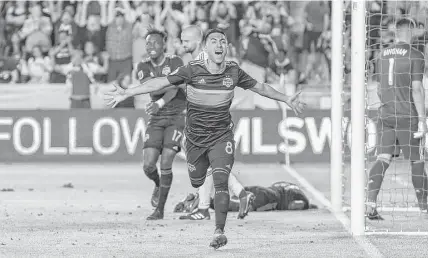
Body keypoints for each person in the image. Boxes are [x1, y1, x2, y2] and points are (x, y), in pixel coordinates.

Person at [104, 28, 305, 249]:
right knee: (197, 179)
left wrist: (286, 98)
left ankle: (219, 231)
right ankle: (201, 196)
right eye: (214, 41)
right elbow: (160, 83)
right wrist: (127, 92)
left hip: (221, 136)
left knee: (220, 180)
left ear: (226, 47)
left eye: (223, 41)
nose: (219, 45)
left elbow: (261, 88)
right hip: (195, 139)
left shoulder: (233, 72)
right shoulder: (191, 70)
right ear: (206, 47)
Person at [366, 18, 428, 220]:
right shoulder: (415, 55)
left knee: (383, 158)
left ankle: (370, 204)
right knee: (417, 160)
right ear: (411, 30)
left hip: (386, 114)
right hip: (408, 116)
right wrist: (423, 119)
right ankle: (424, 208)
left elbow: (380, 88)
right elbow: (417, 89)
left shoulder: (382, 54)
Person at [179, 25, 254, 221]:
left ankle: (222, 200)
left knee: (212, 163)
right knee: (209, 165)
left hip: (212, 123)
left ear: (198, 42)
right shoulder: (195, 62)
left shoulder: (203, 61)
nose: (182, 44)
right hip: (198, 120)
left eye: (186, 41)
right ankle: (212, 203)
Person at [136, 30, 186, 220]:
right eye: (148, 44)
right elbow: (157, 86)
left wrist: (159, 101)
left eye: (155, 43)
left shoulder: (175, 61)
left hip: (177, 115)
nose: (151, 47)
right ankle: (158, 183)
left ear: (163, 44)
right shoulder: (142, 65)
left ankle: (160, 210)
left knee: (166, 161)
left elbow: (173, 88)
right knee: (148, 165)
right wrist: (168, 85)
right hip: (156, 117)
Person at [174, 179, 318, 213]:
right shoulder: (303, 200)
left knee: (236, 199)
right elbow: (294, 205)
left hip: (262, 189)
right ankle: (208, 202)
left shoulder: (292, 187)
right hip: (270, 199)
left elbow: (279, 183)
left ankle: (199, 198)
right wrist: (304, 207)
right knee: (239, 207)